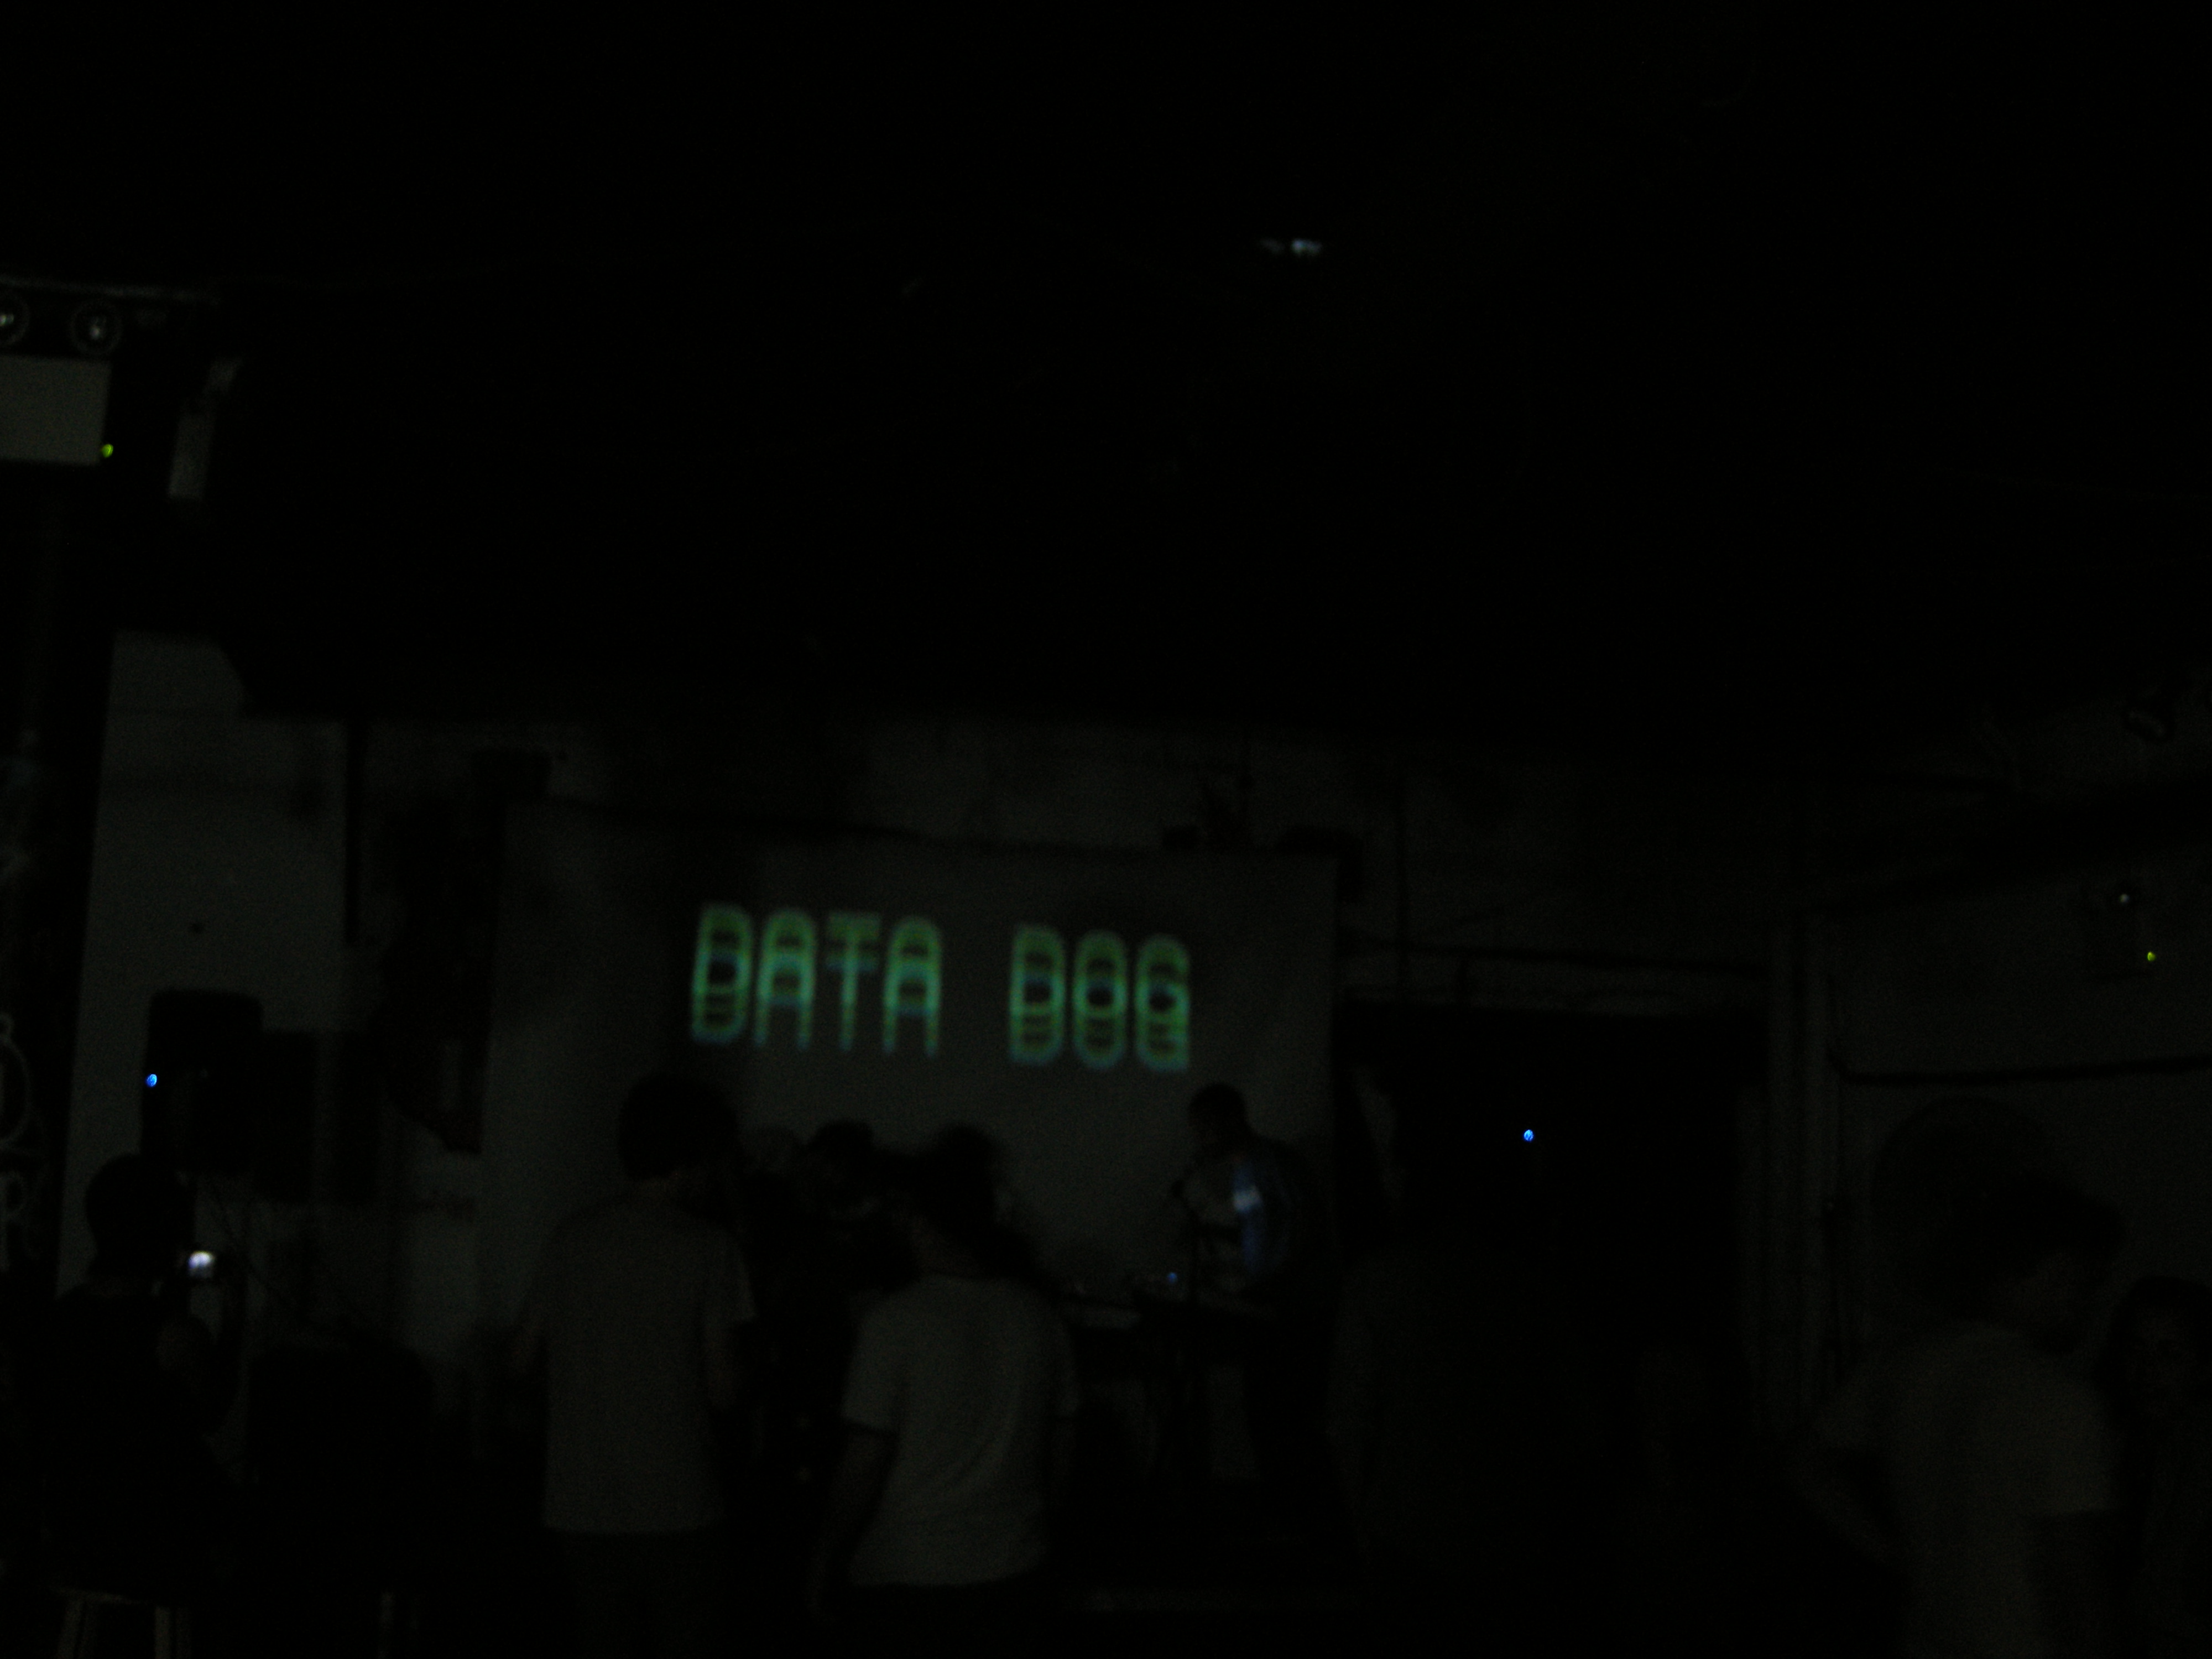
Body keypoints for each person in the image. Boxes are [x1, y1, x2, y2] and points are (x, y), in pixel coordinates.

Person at [1787, 1170, 2128, 1659]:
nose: (2090, 1303)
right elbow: (2078, 1592)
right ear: (2054, 1268)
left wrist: (1897, 1556)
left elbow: (1806, 1465)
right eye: (2086, 1283)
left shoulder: (1900, 1362)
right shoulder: (2057, 1400)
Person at [1327, 1079, 1602, 1652]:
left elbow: (1349, 1426)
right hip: (1514, 1541)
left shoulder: (1379, 1282)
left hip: (1410, 1539)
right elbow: (1576, 1429)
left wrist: (1365, 1534)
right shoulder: (1534, 1289)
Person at [508, 1074, 755, 1659]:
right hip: (677, 1501)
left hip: (579, 1502)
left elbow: (518, 1361)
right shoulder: (709, 1248)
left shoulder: (573, 1237)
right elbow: (724, 1390)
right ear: (693, 1160)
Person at [804, 1130, 1081, 1640]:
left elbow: (866, 1459)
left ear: (918, 1220)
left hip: (911, 1571)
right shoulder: (1039, 1317)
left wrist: (825, 1558)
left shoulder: (895, 1323)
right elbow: (1061, 1449)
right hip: (1017, 1566)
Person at [36, 1154, 243, 1610]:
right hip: (155, 1540)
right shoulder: (175, 1336)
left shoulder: (58, 1321)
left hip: (76, 1529)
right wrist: (232, 1318)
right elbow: (213, 1410)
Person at [1173, 1082, 1337, 1533]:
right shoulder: (1243, 1174)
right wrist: (1213, 1240)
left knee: (1288, 1416)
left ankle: (1307, 1518)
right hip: (1267, 1312)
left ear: (1232, 1120)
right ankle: (1284, 1511)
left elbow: (1309, 1221)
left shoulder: (1273, 1162)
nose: (1201, 1139)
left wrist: (1277, 1281)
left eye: (1206, 1128)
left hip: (1294, 1313)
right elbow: (1261, 1227)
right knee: (1263, 1413)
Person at [2092, 1277, 2212, 1659]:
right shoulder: (2105, 1437)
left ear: (2203, 1367)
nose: (2147, 1370)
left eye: (2169, 1355)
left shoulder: (2200, 1444)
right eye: (2136, 1350)